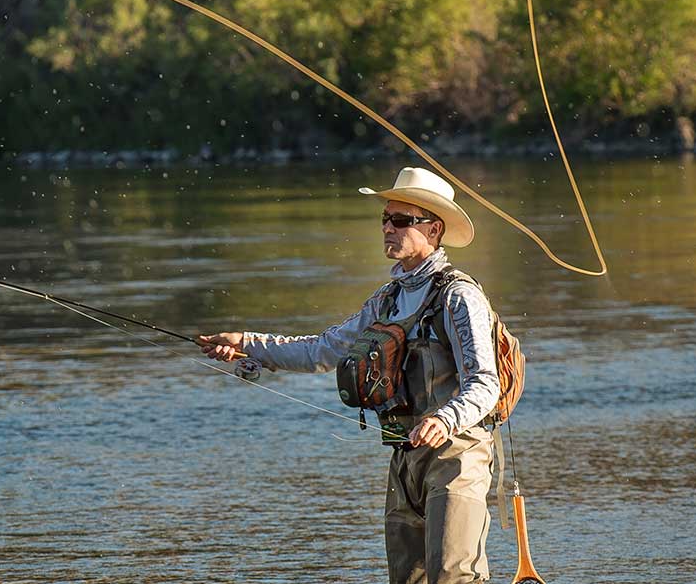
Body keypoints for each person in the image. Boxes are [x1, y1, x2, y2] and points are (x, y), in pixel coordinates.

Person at [198, 166, 501, 584]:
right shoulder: (387, 300)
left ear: (434, 230)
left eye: (400, 221)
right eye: (385, 219)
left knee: (453, 577)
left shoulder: (459, 296)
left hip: (457, 456)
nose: (387, 229)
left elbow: (486, 383)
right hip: (404, 456)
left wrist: (444, 419)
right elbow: (323, 349)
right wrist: (248, 343)